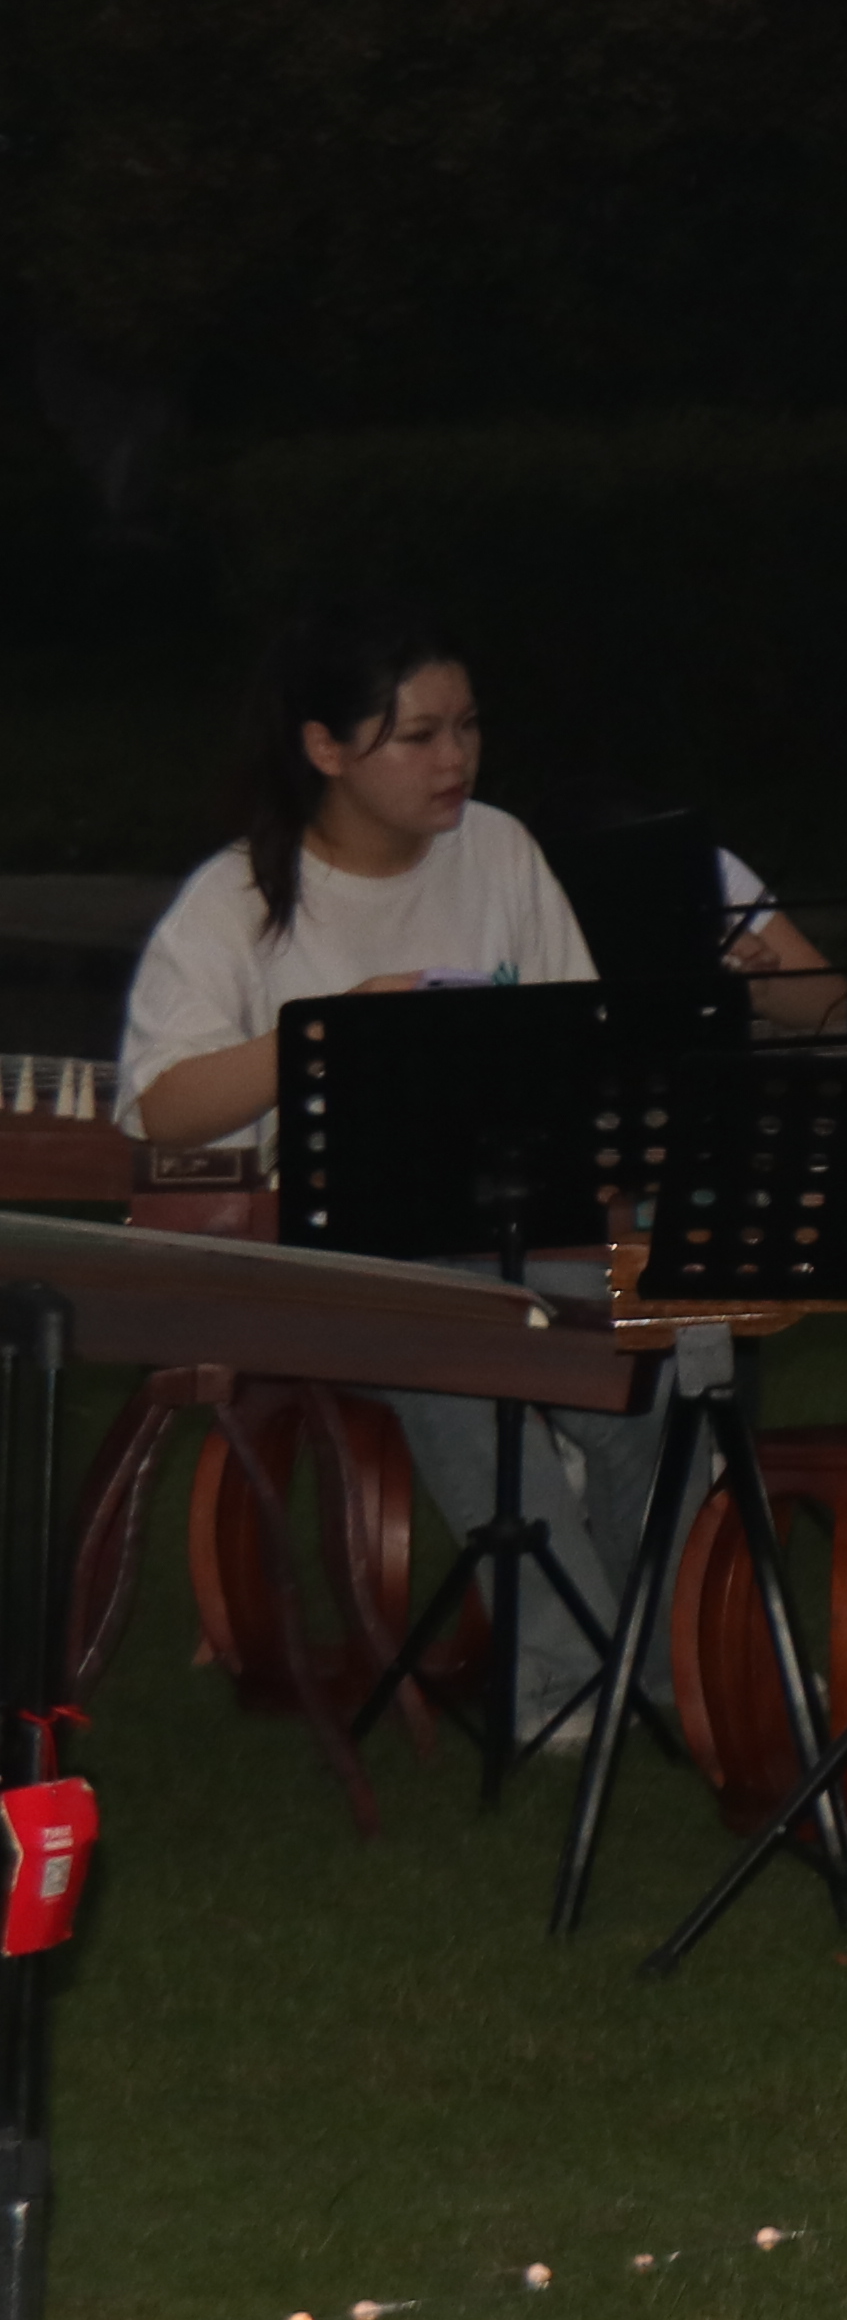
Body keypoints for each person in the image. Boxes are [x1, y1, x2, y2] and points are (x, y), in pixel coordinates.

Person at [114, 610, 651, 1749]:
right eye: (418, 736)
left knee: (676, 1343)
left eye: (468, 727)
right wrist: (331, 1038)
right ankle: (563, 1681)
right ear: (325, 748)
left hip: (511, 1209)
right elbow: (162, 1105)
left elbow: (584, 1048)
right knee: (453, 1339)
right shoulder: (237, 897)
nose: (456, 758)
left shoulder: (499, 850)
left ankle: (657, 1661)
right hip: (335, 1244)